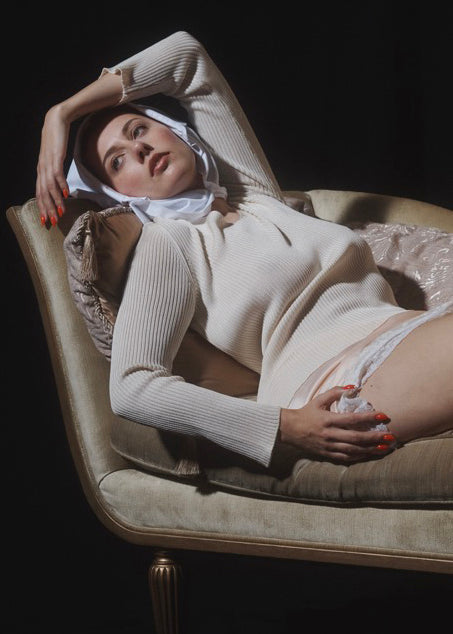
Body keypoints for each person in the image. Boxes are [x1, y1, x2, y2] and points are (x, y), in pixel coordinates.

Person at [36, 31, 453, 467]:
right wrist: (280, 426)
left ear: (174, 129)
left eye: (138, 128)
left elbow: (185, 59)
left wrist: (61, 113)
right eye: (117, 161)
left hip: (404, 334)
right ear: (117, 194)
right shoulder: (169, 243)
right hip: (336, 384)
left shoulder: (254, 197)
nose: (138, 149)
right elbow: (132, 386)